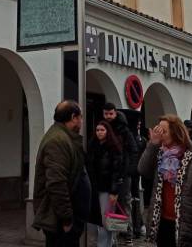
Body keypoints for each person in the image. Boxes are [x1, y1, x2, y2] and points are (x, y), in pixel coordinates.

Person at [138, 114, 192, 247]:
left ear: (176, 133)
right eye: (158, 131)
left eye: (164, 132)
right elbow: (143, 170)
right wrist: (152, 144)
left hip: (187, 224)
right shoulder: (159, 154)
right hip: (162, 221)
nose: (160, 135)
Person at [33, 100, 91, 247]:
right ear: (73, 117)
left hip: (68, 219)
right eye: (81, 117)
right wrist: (66, 219)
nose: (82, 121)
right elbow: (56, 183)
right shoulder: (58, 140)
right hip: (61, 223)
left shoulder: (65, 137)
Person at [102, 103, 138, 244]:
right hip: (107, 174)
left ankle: (127, 235)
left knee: (124, 204)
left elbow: (134, 150)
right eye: (106, 114)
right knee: (110, 205)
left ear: (115, 113)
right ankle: (114, 237)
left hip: (123, 174)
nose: (108, 116)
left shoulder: (123, 130)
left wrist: (129, 170)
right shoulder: (102, 128)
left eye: (111, 113)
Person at [87, 120, 124, 247]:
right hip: (94, 188)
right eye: (97, 130)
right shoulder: (92, 146)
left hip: (107, 189)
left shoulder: (113, 148)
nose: (99, 132)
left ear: (108, 132)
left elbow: (116, 171)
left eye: (102, 130)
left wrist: (114, 191)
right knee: (93, 221)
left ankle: (105, 244)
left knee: (106, 220)